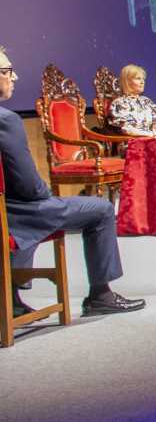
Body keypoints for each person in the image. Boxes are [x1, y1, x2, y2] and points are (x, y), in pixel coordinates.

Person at [1, 46, 145, 316]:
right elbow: (28, 187)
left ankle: (12, 299)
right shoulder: (6, 120)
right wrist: (46, 192)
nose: (15, 76)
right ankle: (101, 296)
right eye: (8, 71)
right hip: (17, 214)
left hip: (8, 208)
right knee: (101, 210)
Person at [108, 64, 156, 136]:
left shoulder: (146, 101)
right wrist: (149, 134)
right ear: (127, 81)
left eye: (143, 79)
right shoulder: (120, 103)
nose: (142, 82)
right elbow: (126, 129)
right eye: (138, 78)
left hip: (151, 138)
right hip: (130, 141)